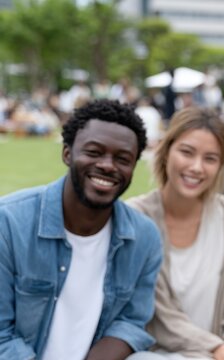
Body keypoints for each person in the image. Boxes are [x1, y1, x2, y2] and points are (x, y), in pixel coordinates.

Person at [0, 99, 163, 359]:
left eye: (122, 158)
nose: (108, 165)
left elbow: (131, 323)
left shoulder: (144, 237)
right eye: (94, 152)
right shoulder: (8, 221)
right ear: (67, 153)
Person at [127, 108, 224, 360]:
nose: (196, 167)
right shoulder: (136, 216)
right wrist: (217, 350)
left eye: (210, 158)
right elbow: (159, 315)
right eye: (186, 152)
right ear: (166, 152)